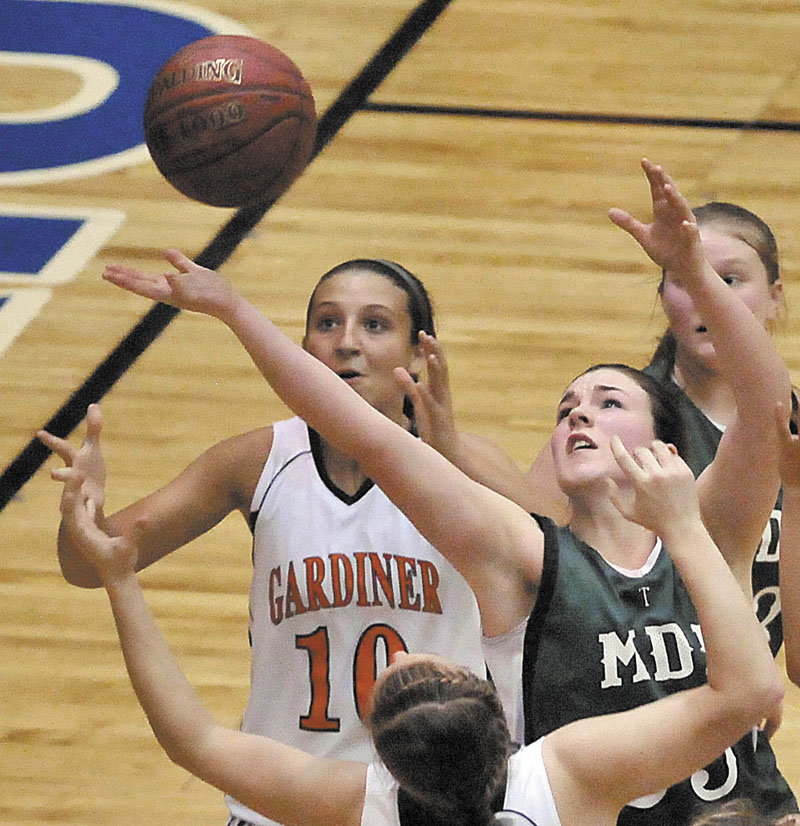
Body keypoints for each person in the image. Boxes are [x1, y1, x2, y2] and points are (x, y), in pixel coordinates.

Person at [95, 157, 797, 826]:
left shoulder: (711, 528)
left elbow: (768, 401)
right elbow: (367, 435)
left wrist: (696, 276)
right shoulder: (524, 559)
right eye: (565, 408)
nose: (579, 412)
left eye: (609, 401)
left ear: (666, 447)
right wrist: (237, 312)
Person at [59, 361, 783, 826]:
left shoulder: (368, 805)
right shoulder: (559, 777)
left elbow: (195, 740)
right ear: (504, 724)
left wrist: (123, 581)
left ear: (381, 760)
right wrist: (684, 528)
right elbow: (749, 690)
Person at [38, 258, 486, 826]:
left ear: (419, 352)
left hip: (430, 804)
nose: (346, 342)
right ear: (301, 346)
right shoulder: (258, 461)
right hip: (282, 802)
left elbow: (575, 555)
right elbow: (86, 562)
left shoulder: (462, 467)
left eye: (375, 324)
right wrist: (83, 506)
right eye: (327, 323)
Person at [523, 192, 790, 656]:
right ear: (664, 297)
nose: (710, 300)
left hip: (736, 700)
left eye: (729, 280)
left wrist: (752, 679)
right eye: (689, 281)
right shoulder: (616, 424)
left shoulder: (784, 423)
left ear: (775, 297)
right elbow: (533, 561)